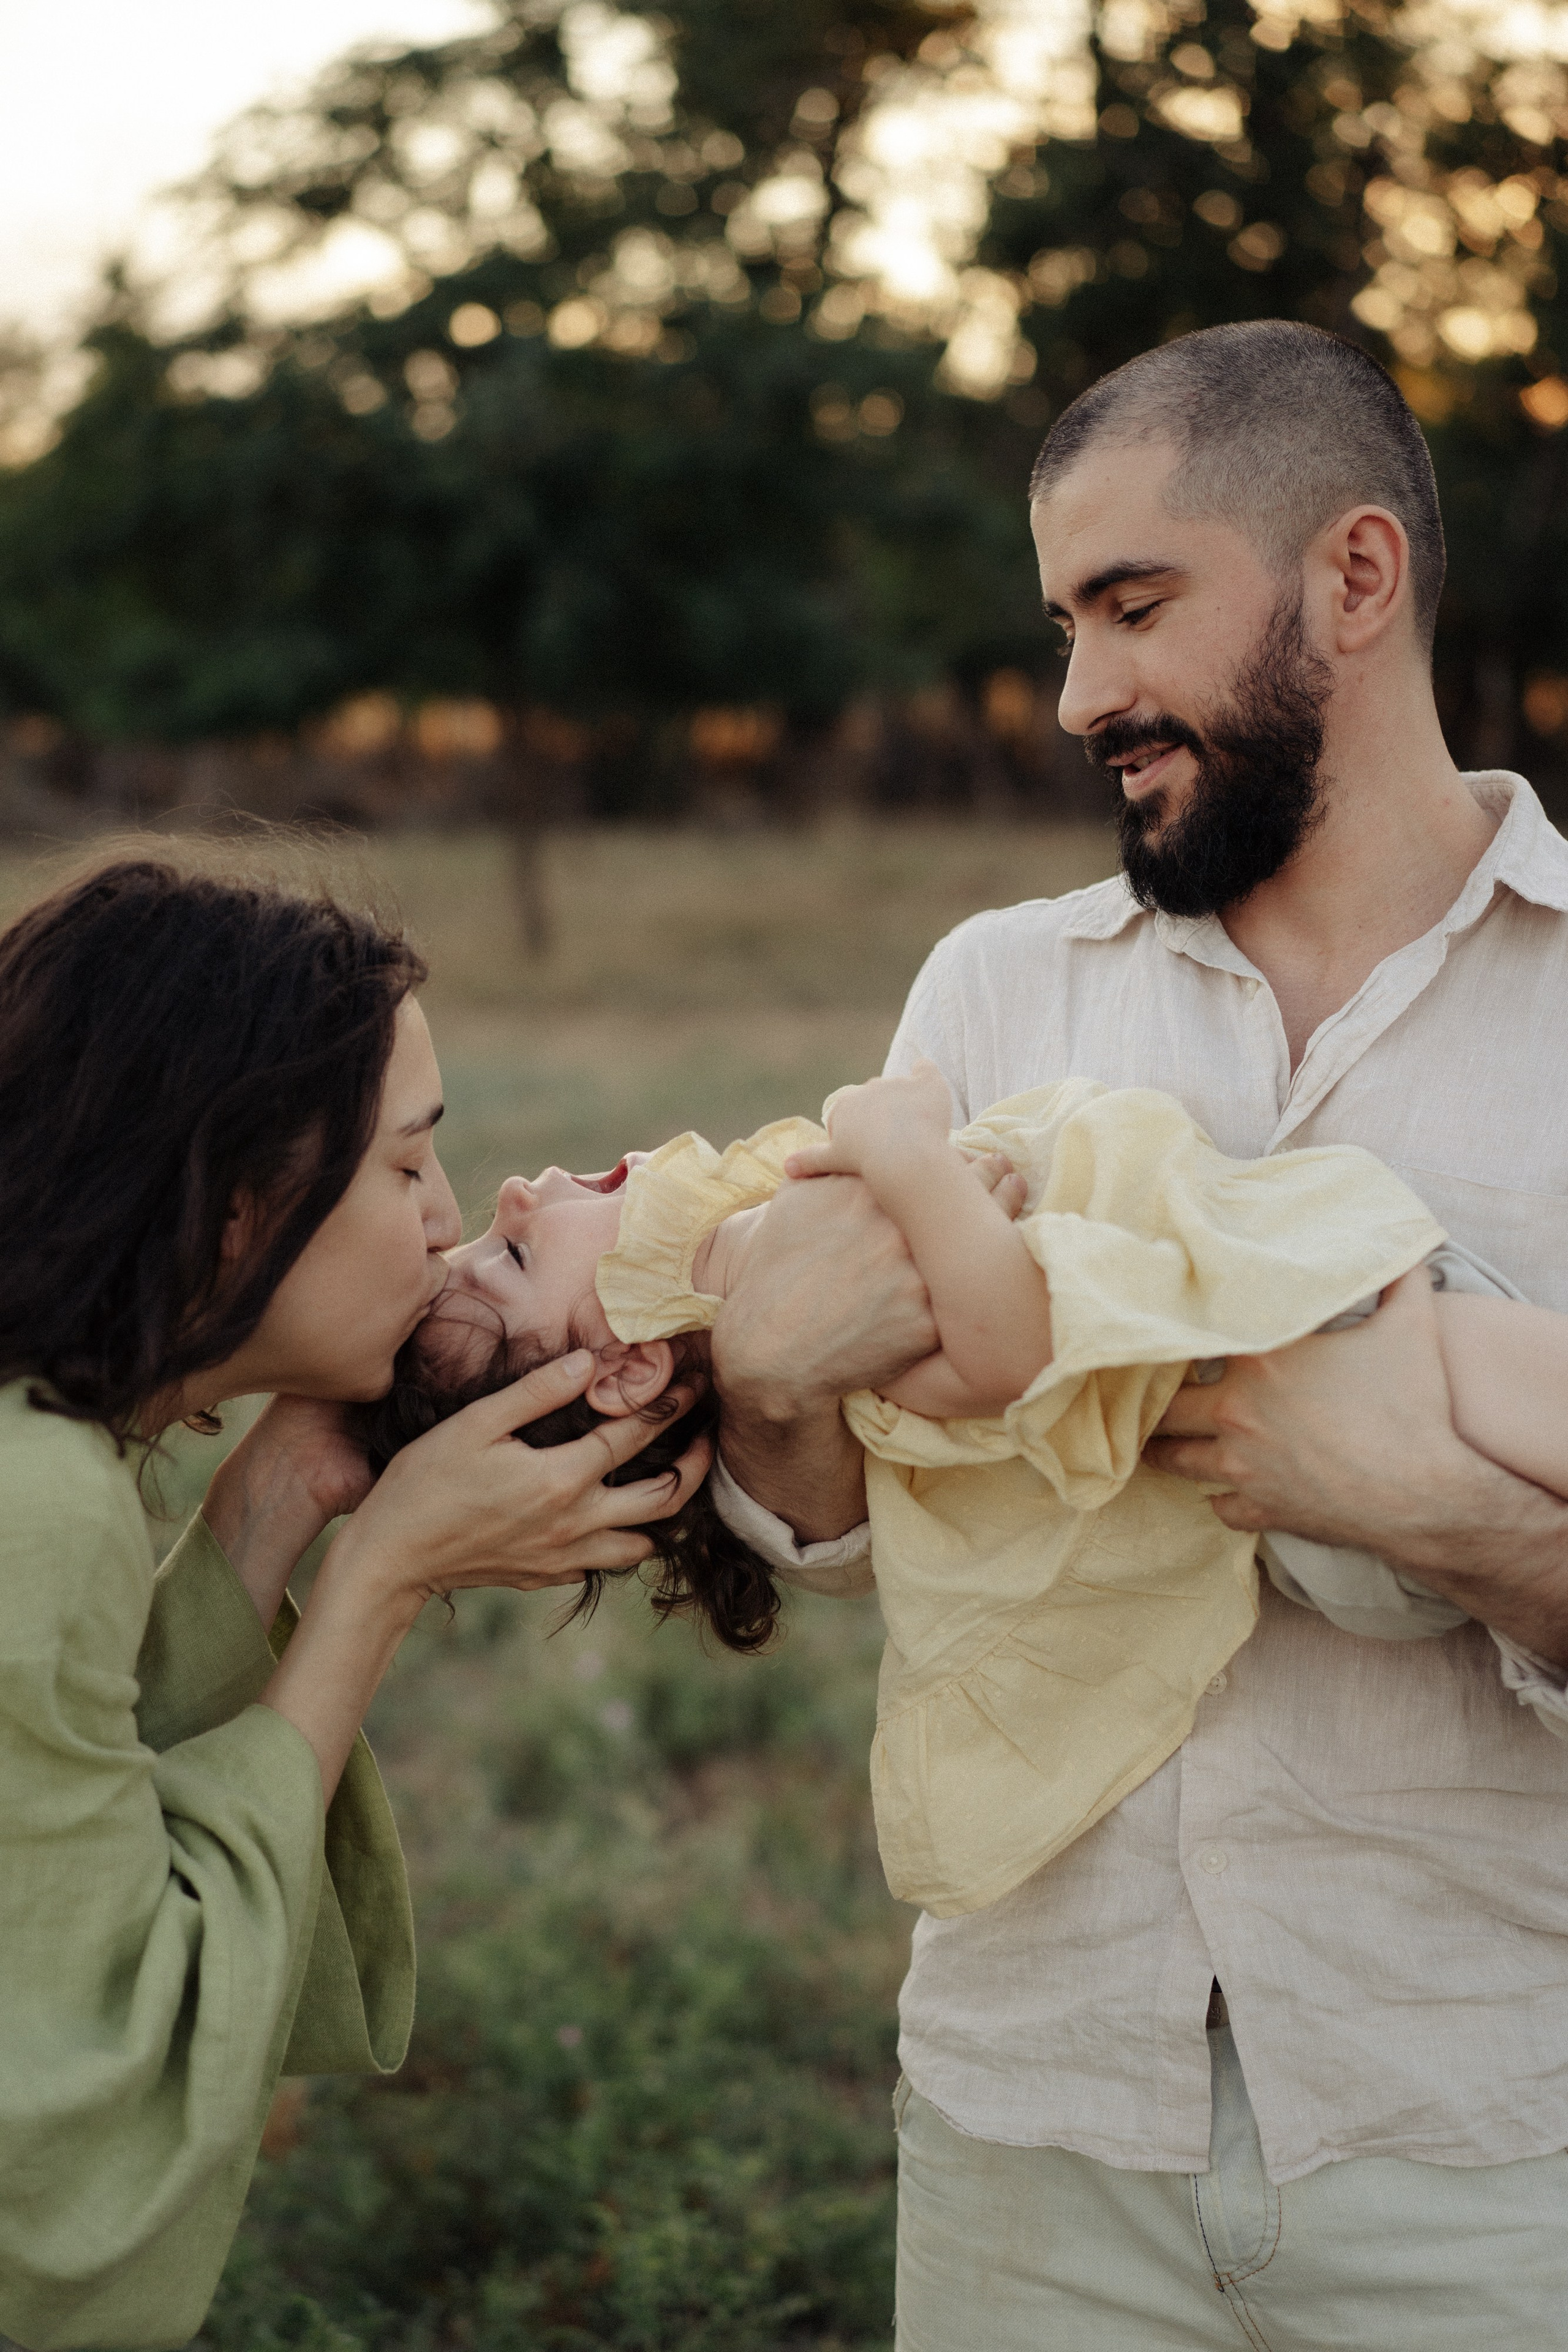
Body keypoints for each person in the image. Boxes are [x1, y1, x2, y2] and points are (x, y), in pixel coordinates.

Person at [699, 322, 1568, 2346]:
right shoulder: (993, 997)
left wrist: (1426, 1510)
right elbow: (840, 1521)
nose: (1082, 693)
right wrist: (768, 1382)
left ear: (1355, 581)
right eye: (1063, 624)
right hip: (1033, 2131)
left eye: (1134, 608)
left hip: (1493, 2143)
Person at [0, 847, 707, 2352]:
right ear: (239, 1200)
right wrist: (376, 1584)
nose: (449, 1219)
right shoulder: (35, 1506)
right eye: (405, 1164)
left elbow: (75, 1813)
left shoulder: (51, 1442)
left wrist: (283, 1501)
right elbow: (80, 2106)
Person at [380, 1061, 1566, 1924]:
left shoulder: (757, 1257)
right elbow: (1011, 1354)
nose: (517, 1198)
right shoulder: (792, 1294)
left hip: (1328, 1431)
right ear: (630, 1360)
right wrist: (906, 1162)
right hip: (1317, 1348)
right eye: (514, 1259)